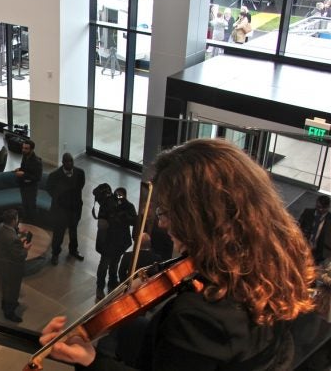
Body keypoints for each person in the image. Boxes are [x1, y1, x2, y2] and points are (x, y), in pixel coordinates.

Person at [39, 139, 316, 370]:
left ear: (202, 219)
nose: (162, 223)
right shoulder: (273, 260)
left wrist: (92, 360)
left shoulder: (197, 317)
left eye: (168, 213)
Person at [95, 186, 136, 300]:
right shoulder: (107, 204)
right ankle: (100, 287)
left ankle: (112, 283)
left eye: (121, 196)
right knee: (104, 265)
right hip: (108, 241)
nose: (119, 197)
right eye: (117, 195)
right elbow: (101, 220)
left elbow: (134, 221)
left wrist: (124, 216)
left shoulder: (128, 206)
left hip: (120, 242)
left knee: (114, 264)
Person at [47, 152, 86, 263]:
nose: (69, 163)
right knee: (58, 233)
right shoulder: (54, 175)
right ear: (63, 162)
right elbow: (49, 189)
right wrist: (61, 198)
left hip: (75, 209)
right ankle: (55, 253)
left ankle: (73, 250)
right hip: (61, 210)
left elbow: (81, 186)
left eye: (71, 161)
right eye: (67, 161)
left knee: (73, 231)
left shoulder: (80, 173)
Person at [0, 208, 31, 323]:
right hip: (11, 268)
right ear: (13, 220)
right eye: (16, 219)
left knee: (5, 287)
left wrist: (19, 232)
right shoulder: (12, 238)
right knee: (12, 290)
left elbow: (10, 239)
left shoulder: (1, 227)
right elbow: (19, 255)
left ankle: (4, 304)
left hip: (1, 264)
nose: (18, 220)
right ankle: (9, 313)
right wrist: (25, 249)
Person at [15, 139, 42, 223]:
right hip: (23, 185)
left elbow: (37, 177)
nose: (23, 150)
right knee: (24, 204)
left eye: (26, 148)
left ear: (32, 149)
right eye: (23, 148)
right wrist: (19, 169)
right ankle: (26, 221)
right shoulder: (25, 156)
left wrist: (23, 174)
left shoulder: (37, 162)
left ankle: (34, 224)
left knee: (31, 207)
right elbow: (25, 168)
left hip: (31, 188)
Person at [298, 194, 330, 264]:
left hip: (319, 252)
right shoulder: (307, 212)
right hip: (304, 247)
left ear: (328, 207)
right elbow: (298, 227)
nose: (320, 210)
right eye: (318, 207)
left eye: (323, 208)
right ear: (316, 203)